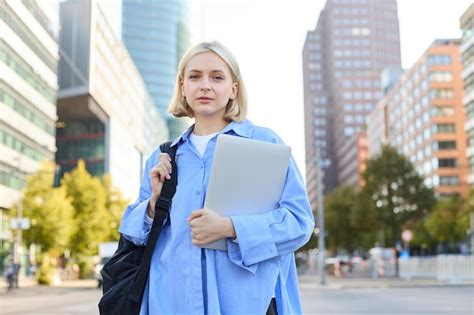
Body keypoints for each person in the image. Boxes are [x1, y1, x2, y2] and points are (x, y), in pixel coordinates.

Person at [119, 41, 314, 315]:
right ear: (182, 87)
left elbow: (299, 223)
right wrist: (153, 202)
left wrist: (230, 228)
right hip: (171, 304)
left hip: (249, 306)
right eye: (195, 76)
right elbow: (134, 234)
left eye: (217, 77)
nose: (205, 85)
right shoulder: (162, 157)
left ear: (233, 88)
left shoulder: (264, 143)